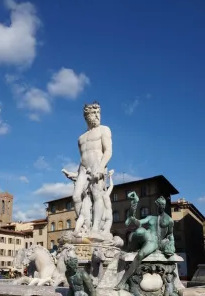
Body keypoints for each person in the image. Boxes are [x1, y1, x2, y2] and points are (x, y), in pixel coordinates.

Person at [62, 102, 112, 234]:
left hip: (98, 164)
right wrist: (74, 174)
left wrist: (101, 168)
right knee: (76, 197)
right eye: (94, 113)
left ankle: (95, 228)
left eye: (98, 113)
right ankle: (85, 225)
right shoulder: (81, 138)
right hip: (83, 169)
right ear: (86, 116)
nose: (97, 116)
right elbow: (83, 158)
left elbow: (108, 151)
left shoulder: (104, 129)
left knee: (97, 195)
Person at [115, 196, 175, 290]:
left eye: (163, 205)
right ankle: (130, 248)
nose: (161, 206)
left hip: (155, 241)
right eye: (159, 205)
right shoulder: (150, 217)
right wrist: (133, 212)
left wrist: (171, 244)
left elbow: (170, 235)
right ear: (157, 205)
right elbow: (139, 222)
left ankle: (123, 281)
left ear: (165, 205)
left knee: (141, 254)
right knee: (139, 231)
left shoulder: (169, 220)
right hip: (148, 235)